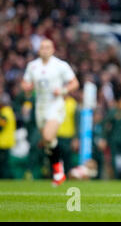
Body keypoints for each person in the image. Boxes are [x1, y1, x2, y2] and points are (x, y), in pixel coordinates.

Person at [21, 39, 79, 186]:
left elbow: (75, 83)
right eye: (42, 47)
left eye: (47, 47)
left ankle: (58, 169)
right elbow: (25, 83)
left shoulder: (60, 65)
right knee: (49, 142)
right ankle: (59, 173)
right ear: (38, 50)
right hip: (40, 106)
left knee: (47, 136)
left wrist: (63, 90)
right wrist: (27, 87)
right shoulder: (32, 66)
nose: (44, 50)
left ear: (53, 49)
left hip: (56, 105)